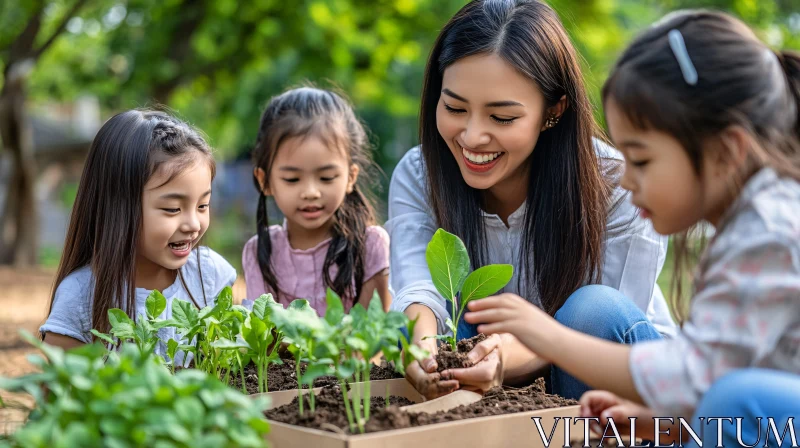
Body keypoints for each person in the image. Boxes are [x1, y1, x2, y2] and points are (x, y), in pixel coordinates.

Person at [465, 10, 800, 444]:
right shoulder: (754, 223)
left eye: (641, 159)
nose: (625, 178)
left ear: (725, 150)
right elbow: (728, 368)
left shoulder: (772, 232)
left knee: (737, 400)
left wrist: (546, 335)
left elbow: (700, 378)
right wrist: (666, 425)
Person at [388, 0, 676, 400]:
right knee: (420, 323)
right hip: (488, 360)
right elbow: (419, 286)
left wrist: (510, 354)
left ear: (553, 110)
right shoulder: (420, 174)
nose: (472, 137)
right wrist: (422, 349)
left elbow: (601, 331)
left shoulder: (616, 183)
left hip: (610, 374)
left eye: (501, 118)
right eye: (454, 107)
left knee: (592, 309)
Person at [41, 110, 236, 359]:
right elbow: (57, 393)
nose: (193, 224)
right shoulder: (80, 297)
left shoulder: (209, 276)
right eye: (172, 209)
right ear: (118, 207)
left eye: (202, 206)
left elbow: (238, 368)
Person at [242, 86, 391, 316]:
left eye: (326, 177)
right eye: (292, 179)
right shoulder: (260, 251)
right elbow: (263, 341)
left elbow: (371, 340)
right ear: (265, 181)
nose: (311, 192)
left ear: (351, 176)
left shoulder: (370, 245)